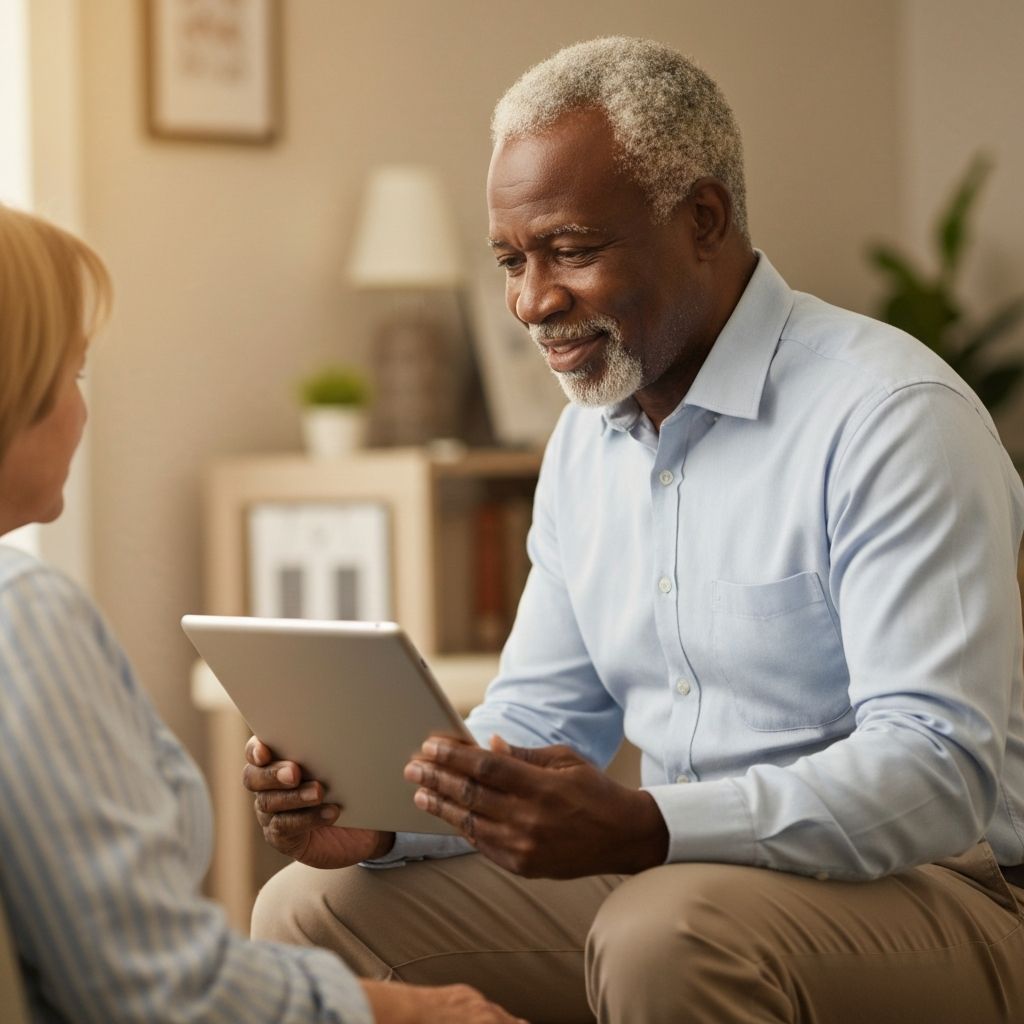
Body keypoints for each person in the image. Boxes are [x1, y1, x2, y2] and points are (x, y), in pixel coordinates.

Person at [244, 36, 1024, 1024]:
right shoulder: (585, 444)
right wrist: (382, 828)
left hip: (953, 889)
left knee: (664, 928)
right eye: (510, 261)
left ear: (703, 218)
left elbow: (934, 772)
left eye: (570, 249)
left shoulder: (889, 415)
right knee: (312, 909)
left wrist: (650, 824)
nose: (531, 300)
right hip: (677, 872)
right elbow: (538, 724)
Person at [0, 203, 526, 1024]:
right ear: (12, 391)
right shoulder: (20, 618)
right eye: (72, 374)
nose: (81, 409)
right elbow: (156, 991)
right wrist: (424, 1012)